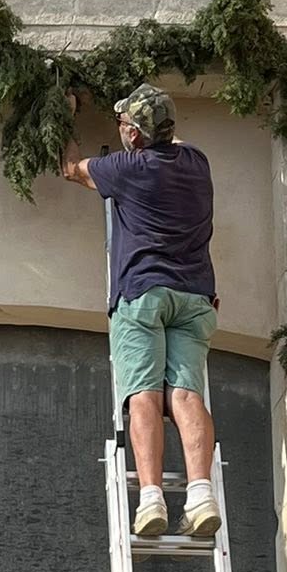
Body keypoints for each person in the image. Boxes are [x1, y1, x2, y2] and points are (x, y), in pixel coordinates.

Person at [61, 82, 220, 540]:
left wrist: (67, 115)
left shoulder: (130, 169)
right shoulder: (197, 164)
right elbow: (173, 142)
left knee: (144, 396)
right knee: (187, 394)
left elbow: (73, 168)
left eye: (124, 124)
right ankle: (200, 493)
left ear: (133, 135)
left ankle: (151, 498)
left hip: (143, 295)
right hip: (195, 298)